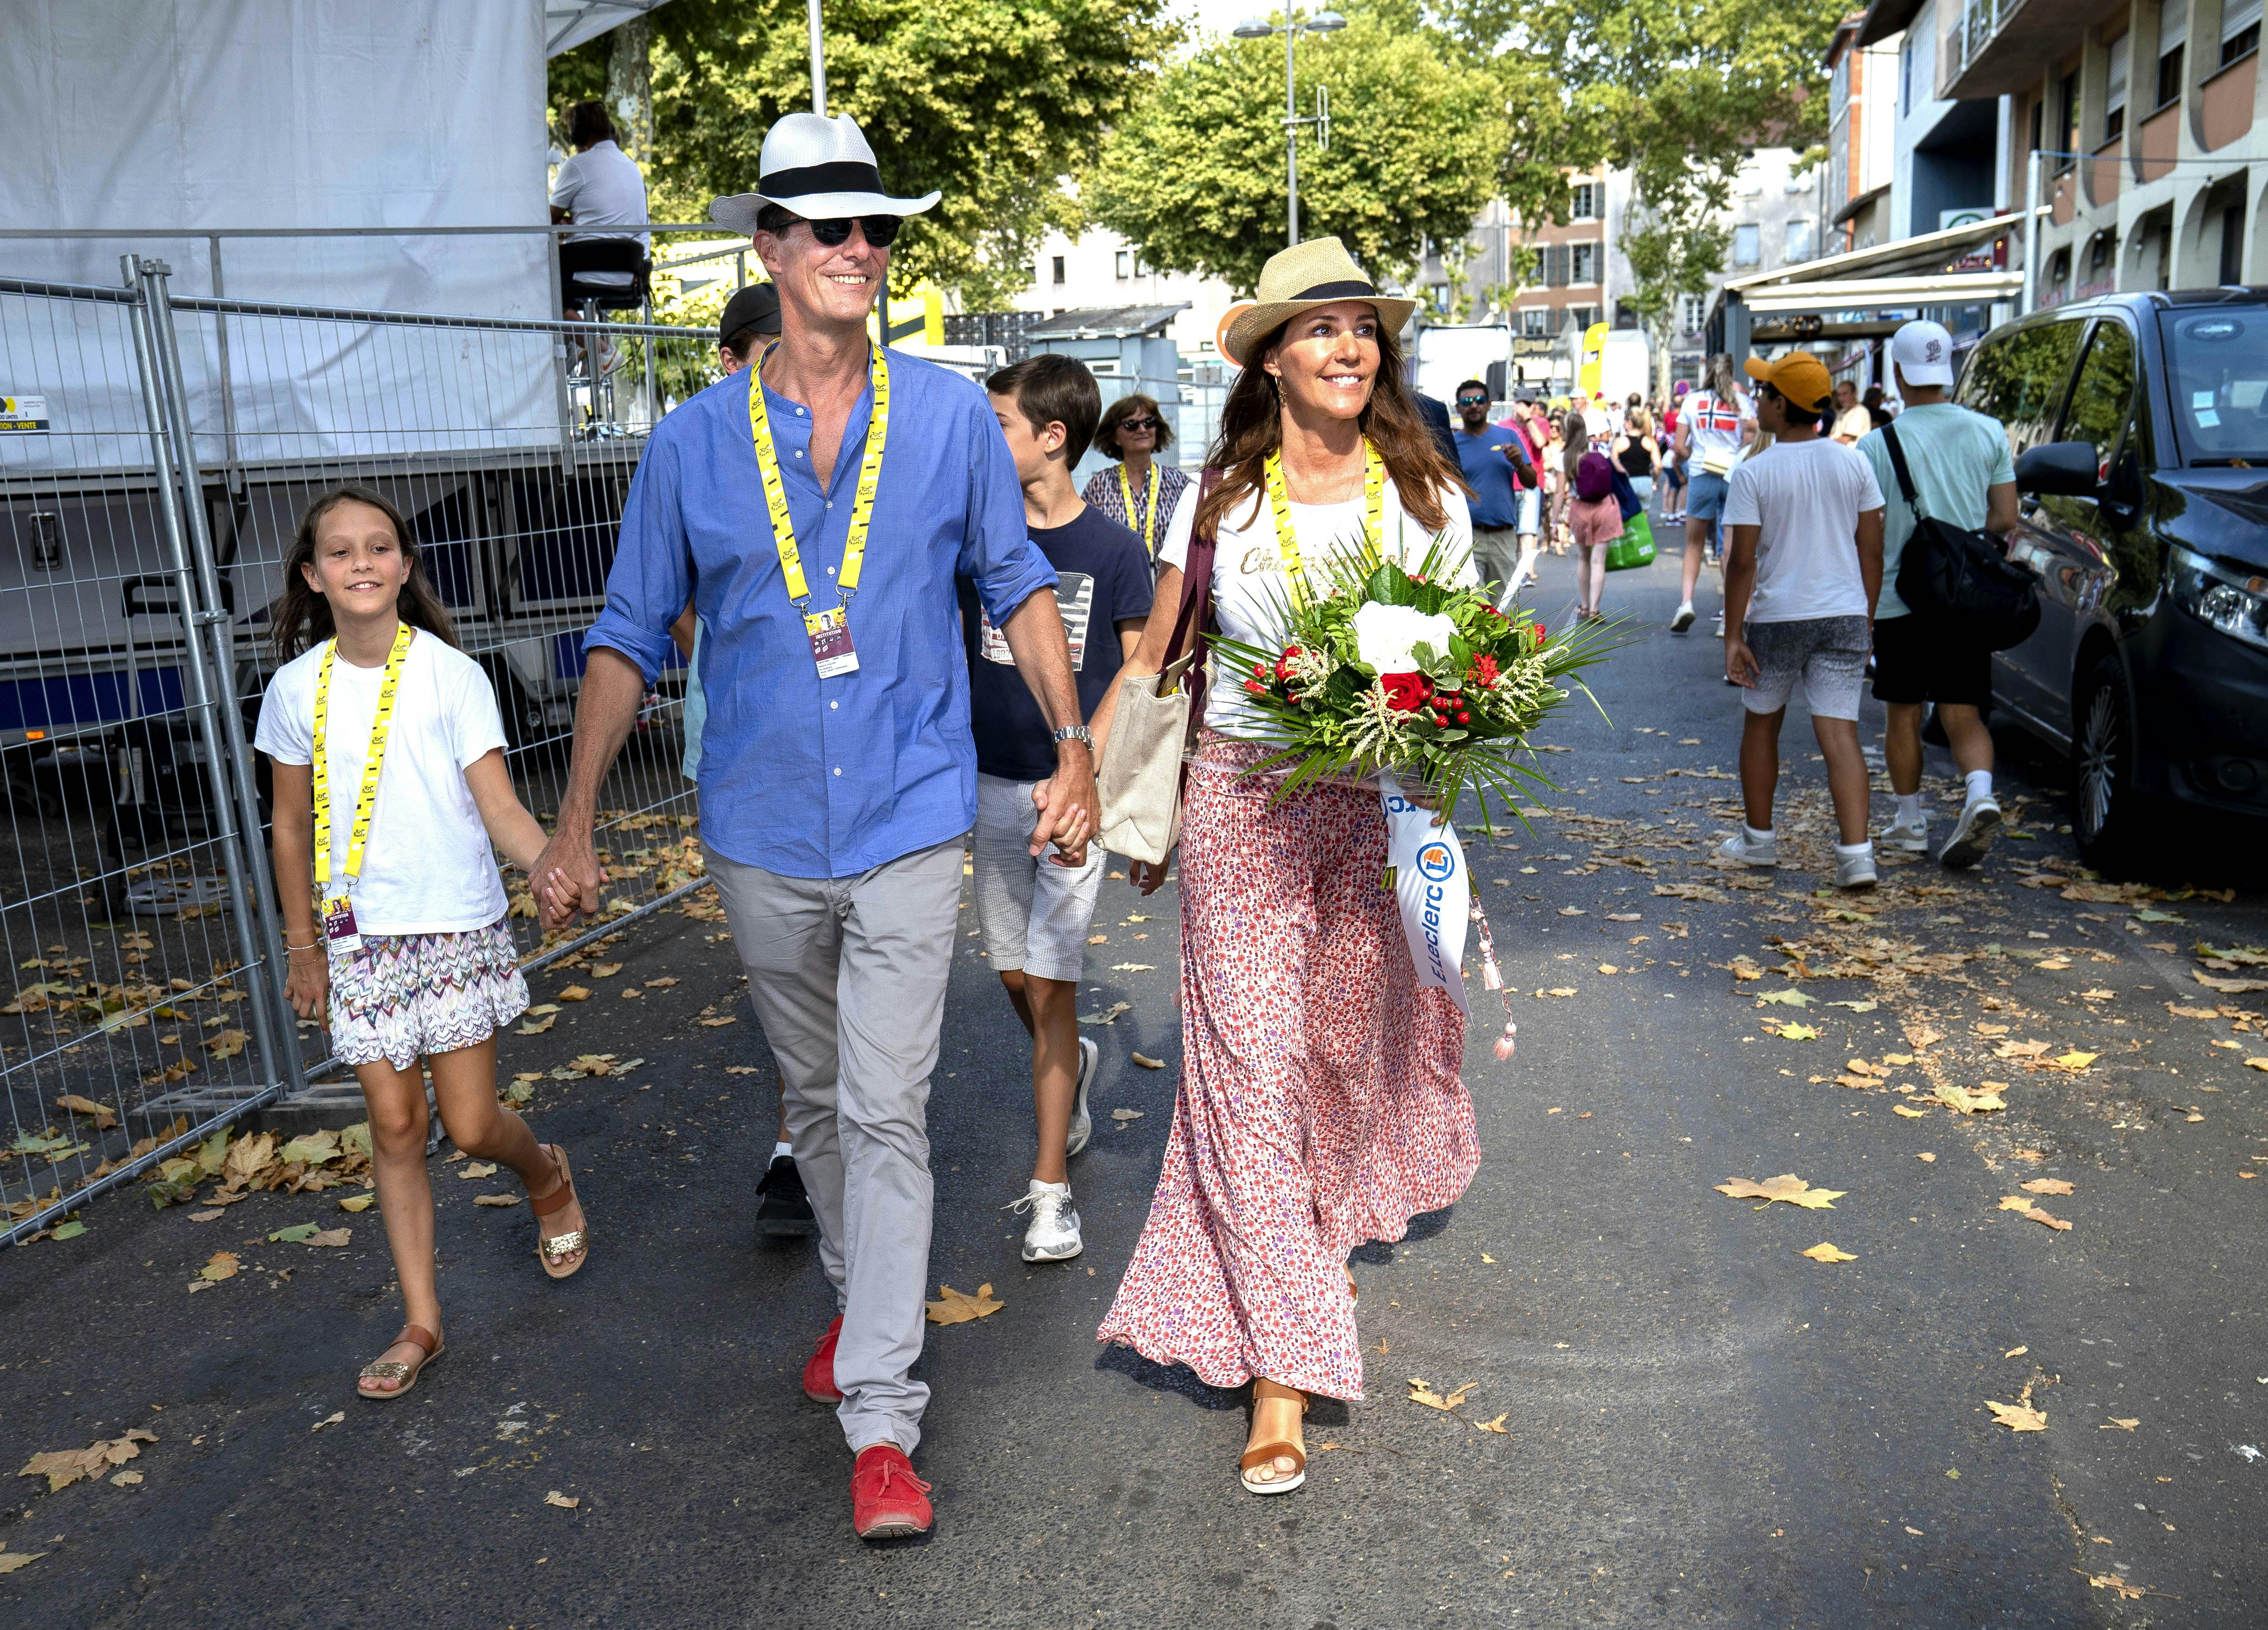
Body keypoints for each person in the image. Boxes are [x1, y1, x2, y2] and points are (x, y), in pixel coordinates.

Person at [536, 112, 1096, 1542]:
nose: (862, 250)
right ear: (773, 248)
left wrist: (1077, 746)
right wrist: (577, 816)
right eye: (831, 228)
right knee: (823, 1114)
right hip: (763, 828)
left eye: (878, 229)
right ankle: (863, 1316)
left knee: (888, 1107)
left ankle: (884, 1418)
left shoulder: (956, 418)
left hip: (913, 811)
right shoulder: (691, 444)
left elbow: (1017, 585)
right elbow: (623, 633)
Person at [1090, 237, 1480, 1499]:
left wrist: (1444, 735)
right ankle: (1283, 1372)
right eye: (1320, 329)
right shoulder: (1225, 500)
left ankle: (1295, 1244)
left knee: (1333, 1056)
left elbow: (1462, 661)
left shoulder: (1426, 494)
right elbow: (1159, 648)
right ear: (1271, 356)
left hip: (1373, 812)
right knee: (1251, 1069)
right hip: (1242, 805)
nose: (1349, 346)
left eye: (1363, 327)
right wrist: (1088, 778)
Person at [256, 485, 591, 1403]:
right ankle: (421, 1321)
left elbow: (501, 809)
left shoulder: (451, 675)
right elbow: (289, 829)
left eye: (380, 547)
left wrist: (548, 868)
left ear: (404, 567)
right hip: (357, 939)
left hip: (454, 924)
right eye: (341, 552)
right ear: (312, 576)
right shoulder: (294, 689)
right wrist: (302, 946)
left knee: (474, 1125)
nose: (362, 563)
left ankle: (545, 1172)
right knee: (396, 1125)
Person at [964, 355, 1153, 1262]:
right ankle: (1070, 1062)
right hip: (987, 786)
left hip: (1072, 796)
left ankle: (1051, 1192)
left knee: (1050, 981)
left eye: (997, 423)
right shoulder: (975, 540)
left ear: (1052, 438)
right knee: (1017, 979)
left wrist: (1092, 774)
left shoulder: (1114, 553)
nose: (982, 438)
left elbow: (1136, 674)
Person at [661, 282, 817, 1241]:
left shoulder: (842, 439)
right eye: (771, 350)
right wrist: (731, 652)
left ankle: (811, 1136)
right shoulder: (693, 448)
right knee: (789, 965)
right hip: (739, 738)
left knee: (830, 963)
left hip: (845, 744)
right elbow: (662, 591)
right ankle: (802, 1128)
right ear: (732, 357)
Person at [1717, 352, 1887, 892]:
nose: (1758, 400)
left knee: (1762, 724)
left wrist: (1733, 636)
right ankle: (1857, 854)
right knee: (1840, 732)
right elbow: (1872, 551)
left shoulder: (1753, 472)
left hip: (1779, 616)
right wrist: (1869, 617)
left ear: (1782, 404)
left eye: (1764, 393)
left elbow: (1742, 563)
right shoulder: (1854, 462)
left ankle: (1759, 841)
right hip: (1844, 613)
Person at [1856, 318, 2019, 868]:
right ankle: (1979, 794)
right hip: (1964, 599)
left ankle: (1909, 823)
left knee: (1902, 714)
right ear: (1946, 371)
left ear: (1899, 373)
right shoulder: (1988, 432)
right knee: (1963, 712)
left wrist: (1866, 607)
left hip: (1901, 599)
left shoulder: (1876, 445)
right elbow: (2005, 516)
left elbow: (1868, 536)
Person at [1669, 354, 1755, 633]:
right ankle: (1730, 617)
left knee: (1693, 545)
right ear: (1732, 374)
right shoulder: (1742, 403)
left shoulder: (1692, 401)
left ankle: (1686, 604)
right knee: (1729, 549)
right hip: (1734, 478)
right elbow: (1751, 441)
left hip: (1702, 475)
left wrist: (1695, 460)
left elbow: (1679, 446)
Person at [550, 101, 650, 313]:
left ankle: (601, 347)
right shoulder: (631, 166)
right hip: (630, 275)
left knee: (539, 288)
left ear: (578, 134)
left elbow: (546, 219)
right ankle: (589, 346)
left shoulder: (577, 165)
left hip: (590, 270)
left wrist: (560, 221)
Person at [1453, 378, 1538, 606]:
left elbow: (1532, 483)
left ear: (1489, 405)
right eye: (1467, 401)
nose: (1474, 405)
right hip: (1468, 536)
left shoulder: (1507, 437)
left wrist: (1520, 464)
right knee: (1473, 606)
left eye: (1480, 400)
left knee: (1505, 605)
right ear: (1458, 407)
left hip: (1504, 536)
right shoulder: (1451, 444)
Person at [1083, 392, 1191, 560]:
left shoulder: (1179, 483)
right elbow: (1087, 539)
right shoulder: (1099, 486)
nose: (1142, 430)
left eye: (1149, 422)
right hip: (1119, 583)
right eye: (1131, 425)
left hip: (1167, 581)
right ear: (1115, 437)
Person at [1565, 410, 1622, 622]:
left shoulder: (1567, 456)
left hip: (1580, 508)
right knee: (1599, 561)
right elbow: (1619, 474)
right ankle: (1595, 609)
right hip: (1605, 507)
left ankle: (1584, 605)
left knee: (1584, 558)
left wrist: (1555, 521)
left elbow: (1562, 490)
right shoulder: (1602, 452)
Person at [1613, 406, 1659, 512]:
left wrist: (1623, 472)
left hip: (1627, 482)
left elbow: (1614, 462)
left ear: (1629, 422)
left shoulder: (1619, 442)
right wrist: (1655, 480)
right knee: (1643, 517)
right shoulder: (1650, 441)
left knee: (1627, 517)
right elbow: (1658, 466)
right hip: (1646, 481)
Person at [1830, 379, 1872, 445]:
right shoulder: (1842, 412)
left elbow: (1845, 440)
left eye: (1845, 394)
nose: (1842, 399)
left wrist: (1825, 445)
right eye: (1839, 395)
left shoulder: (1860, 412)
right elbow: (1833, 434)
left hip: (1850, 453)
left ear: (1855, 393)